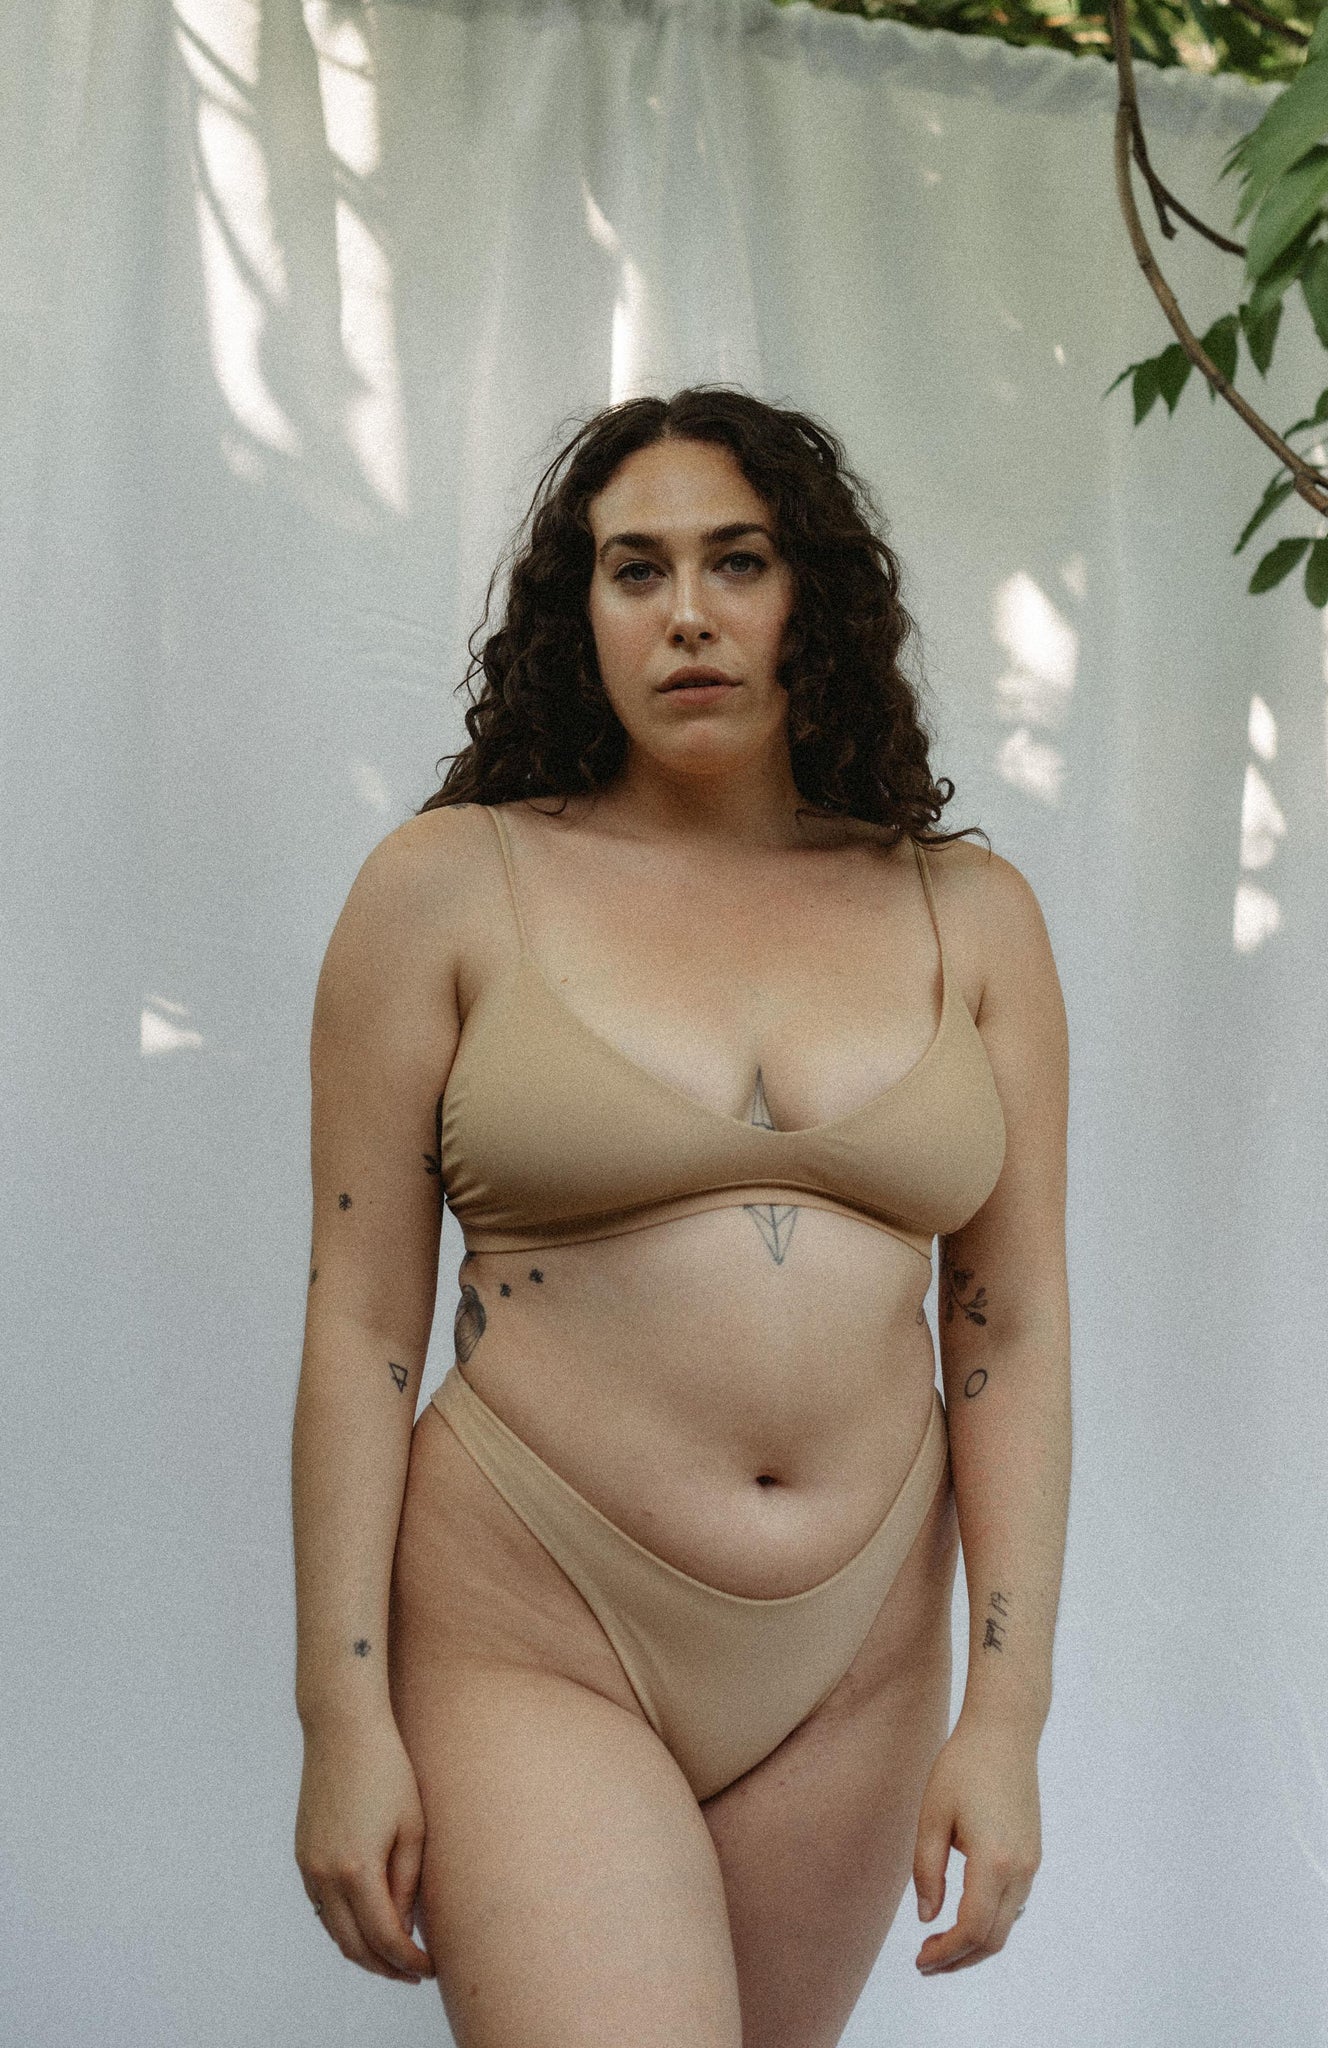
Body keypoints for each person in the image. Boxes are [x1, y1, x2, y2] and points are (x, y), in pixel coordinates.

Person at [291, 386, 1071, 2048]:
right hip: (532, 1620)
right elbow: (360, 1334)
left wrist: (1004, 1718)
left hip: (857, 1651)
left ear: (818, 597)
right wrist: (340, 1717)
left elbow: (1008, 1334)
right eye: (633, 571)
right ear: (580, 617)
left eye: (738, 561)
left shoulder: (972, 915)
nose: (690, 614)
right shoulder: (446, 883)